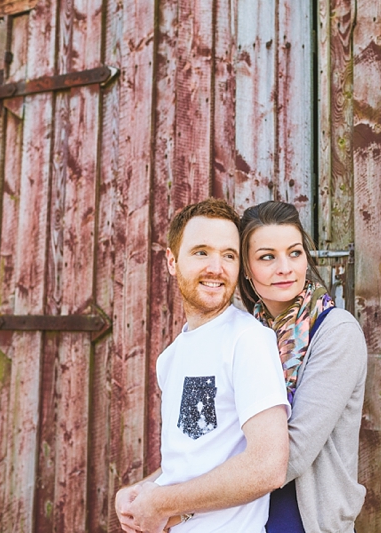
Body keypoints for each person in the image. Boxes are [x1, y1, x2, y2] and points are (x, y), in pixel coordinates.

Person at [115, 198, 291, 533]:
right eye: (201, 252)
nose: (216, 267)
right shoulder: (171, 358)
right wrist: (139, 493)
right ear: (172, 261)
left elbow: (269, 466)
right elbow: (193, 460)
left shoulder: (248, 340)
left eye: (229, 255)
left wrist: (162, 503)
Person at [238, 201, 367, 533]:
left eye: (294, 253)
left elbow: (290, 455)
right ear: (247, 268)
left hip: (304, 521)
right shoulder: (245, 334)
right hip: (240, 515)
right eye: (267, 257)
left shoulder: (336, 331)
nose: (285, 267)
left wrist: (185, 496)